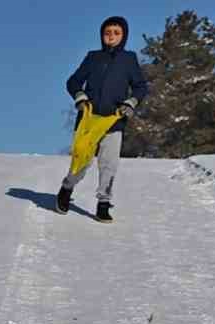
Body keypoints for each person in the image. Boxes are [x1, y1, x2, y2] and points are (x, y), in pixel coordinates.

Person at [57, 15, 151, 223]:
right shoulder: (93, 57)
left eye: (116, 33)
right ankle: (67, 187)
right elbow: (73, 81)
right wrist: (80, 97)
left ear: (124, 36)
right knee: (82, 161)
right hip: (88, 119)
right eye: (107, 32)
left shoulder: (129, 59)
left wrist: (131, 102)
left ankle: (103, 203)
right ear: (102, 35)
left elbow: (140, 86)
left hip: (114, 120)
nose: (111, 36)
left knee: (109, 164)